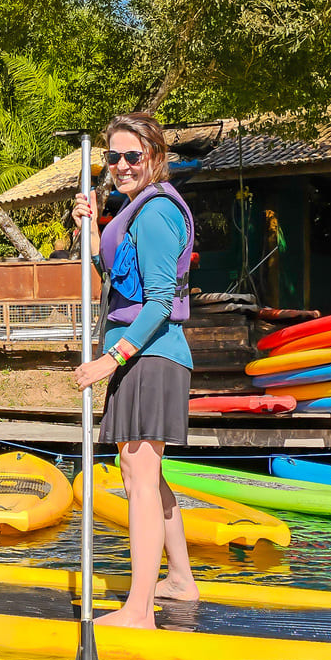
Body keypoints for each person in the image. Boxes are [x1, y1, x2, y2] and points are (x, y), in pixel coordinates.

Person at [72, 112, 197, 630]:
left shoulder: (156, 211)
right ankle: (180, 582)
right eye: (113, 157)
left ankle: (139, 610)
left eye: (132, 157)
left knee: (137, 477)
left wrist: (109, 359)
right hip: (143, 353)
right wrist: (91, 225)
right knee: (148, 474)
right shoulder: (132, 211)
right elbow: (116, 279)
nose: (121, 166)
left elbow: (160, 300)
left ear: (155, 157)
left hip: (150, 354)